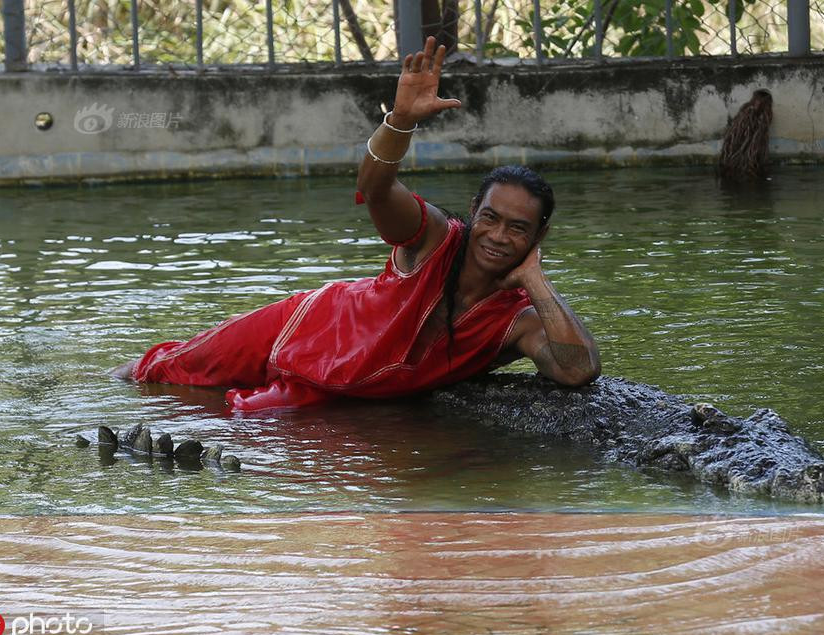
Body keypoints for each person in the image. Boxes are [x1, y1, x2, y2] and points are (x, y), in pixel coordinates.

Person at [113, 37, 600, 412]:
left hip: (333, 385)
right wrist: (399, 123)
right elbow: (377, 189)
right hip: (300, 325)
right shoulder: (436, 237)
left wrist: (535, 279)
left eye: (517, 229)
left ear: (538, 237)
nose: (497, 235)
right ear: (474, 211)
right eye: (490, 218)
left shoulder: (521, 317)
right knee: (163, 372)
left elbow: (578, 371)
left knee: (245, 420)